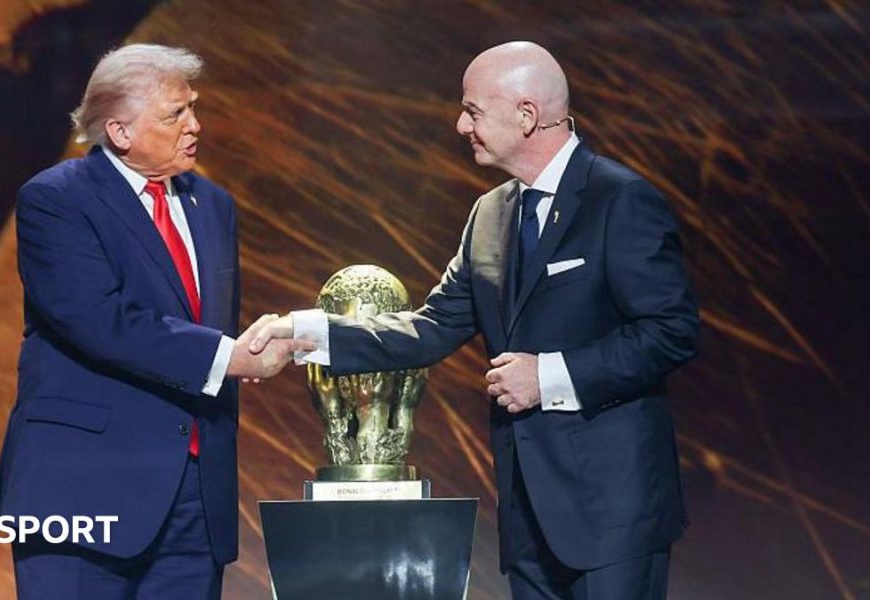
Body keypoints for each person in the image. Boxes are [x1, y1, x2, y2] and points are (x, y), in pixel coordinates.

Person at [251, 41, 700, 599]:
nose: (460, 124)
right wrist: (305, 330)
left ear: (528, 115)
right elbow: (432, 326)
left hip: (613, 513)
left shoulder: (620, 200)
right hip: (528, 516)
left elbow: (671, 330)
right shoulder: (490, 214)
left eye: (473, 111)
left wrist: (550, 377)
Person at [0, 44, 312, 599]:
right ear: (119, 131)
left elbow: (205, 326)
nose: (196, 125)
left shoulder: (213, 205)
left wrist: (246, 349)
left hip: (194, 498)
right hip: (84, 491)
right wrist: (225, 357)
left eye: (193, 108)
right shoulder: (56, 200)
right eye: (175, 114)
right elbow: (96, 318)